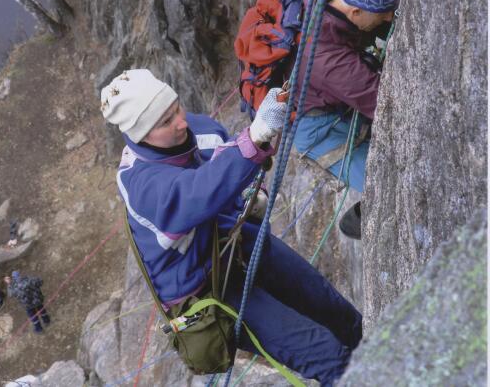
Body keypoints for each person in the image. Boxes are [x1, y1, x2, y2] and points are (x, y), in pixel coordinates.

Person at [100, 69, 362, 386]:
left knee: (335, 311)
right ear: (141, 134)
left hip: (236, 242)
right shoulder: (141, 186)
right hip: (211, 291)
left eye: (176, 108)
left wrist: (250, 194)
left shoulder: (194, 130)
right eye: (165, 122)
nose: (181, 122)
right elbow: (198, 192)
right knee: (325, 354)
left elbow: (225, 160)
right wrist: (256, 136)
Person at [292, 0, 400, 239]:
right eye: (383, 13)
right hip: (317, 130)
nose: (389, 17)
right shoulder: (331, 63)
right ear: (355, 13)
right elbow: (387, 108)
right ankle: (358, 220)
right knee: (387, 185)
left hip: (328, 96)